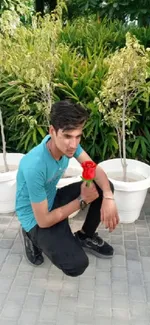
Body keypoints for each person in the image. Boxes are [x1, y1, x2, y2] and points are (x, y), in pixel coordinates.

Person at [16, 100, 119, 277]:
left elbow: (92, 168)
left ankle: (85, 236)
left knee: (104, 186)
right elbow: (44, 221)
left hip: (52, 199)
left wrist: (108, 197)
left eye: (78, 136)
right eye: (67, 136)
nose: (73, 144)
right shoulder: (34, 165)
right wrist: (82, 201)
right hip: (35, 218)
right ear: (52, 131)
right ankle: (29, 235)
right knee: (77, 265)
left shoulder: (70, 145)